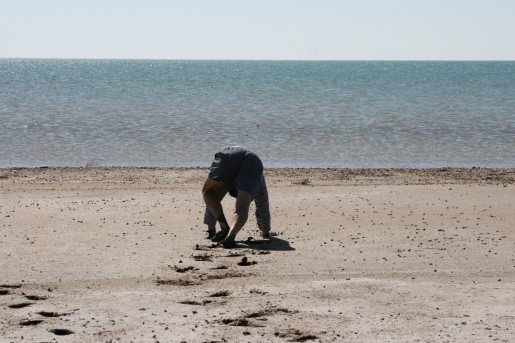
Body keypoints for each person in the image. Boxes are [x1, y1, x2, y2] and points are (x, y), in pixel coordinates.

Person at [202, 146, 271, 248]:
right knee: (242, 205)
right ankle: (230, 235)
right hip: (251, 162)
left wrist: (211, 229)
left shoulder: (226, 181)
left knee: (208, 192)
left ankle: (223, 227)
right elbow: (262, 205)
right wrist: (265, 231)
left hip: (228, 156)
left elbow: (213, 200)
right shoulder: (257, 179)